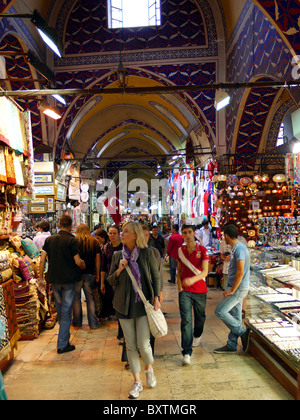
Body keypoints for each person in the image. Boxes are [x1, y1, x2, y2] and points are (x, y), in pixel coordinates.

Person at [107, 221, 161, 399]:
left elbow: (155, 276)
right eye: (121, 231)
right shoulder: (117, 256)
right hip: (123, 305)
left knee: (144, 346)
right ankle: (137, 381)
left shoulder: (147, 254)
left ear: (136, 235)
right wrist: (120, 270)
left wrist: (156, 298)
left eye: (125, 232)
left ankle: (149, 368)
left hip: (143, 305)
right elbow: (111, 280)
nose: (122, 234)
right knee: (130, 345)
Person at [39, 215, 85, 354]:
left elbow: (42, 260)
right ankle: (62, 344)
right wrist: (83, 264)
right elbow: (77, 261)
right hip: (68, 281)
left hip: (54, 280)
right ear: (71, 225)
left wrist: (41, 277)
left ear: (59, 224)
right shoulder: (72, 240)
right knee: (66, 313)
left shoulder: (50, 240)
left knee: (60, 311)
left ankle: (64, 339)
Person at [214, 224, 250, 354]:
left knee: (220, 311)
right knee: (235, 316)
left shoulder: (239, 248)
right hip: (237, 287)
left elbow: (240, 271)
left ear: (226, 236)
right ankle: (231, 344)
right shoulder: (237, 248)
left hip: (238, 288)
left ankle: (243, 332)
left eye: (224, 236)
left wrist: (233, 289)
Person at [176, 224, 209, 365]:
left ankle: (198, 334)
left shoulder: (203, 250)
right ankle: (187, 352)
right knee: (186, 320)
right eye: (185, 232)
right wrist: (180, 287)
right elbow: (179, 271)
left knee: (200, 317)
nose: (187, 234)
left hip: (200, 290)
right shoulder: (180, 251)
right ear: (182, 234)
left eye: (189, 232)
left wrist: (192, 280)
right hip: (185, 292)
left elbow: (205, 272)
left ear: (194, 233)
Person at [72, 224, 101, 330]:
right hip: (90, 273)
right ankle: (93, 323)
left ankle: (77, 322)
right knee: (90, 299)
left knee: (76, 299)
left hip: (76, 274)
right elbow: (97, 260)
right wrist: (97, 273)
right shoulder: (94, 242)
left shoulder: (74, 241)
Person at [100, 225, 122, 319]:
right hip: (109, 278)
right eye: (110, 233)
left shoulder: (124, 246)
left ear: (118, 234)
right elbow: (103, 266)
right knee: (109, 298)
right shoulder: (106, 248)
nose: (112, 235)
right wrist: (101, 283)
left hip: (121, 278)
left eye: (114, 233)